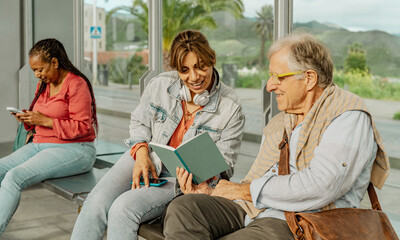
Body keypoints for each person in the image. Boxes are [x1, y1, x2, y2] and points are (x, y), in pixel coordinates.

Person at [163, 33, 390, 239]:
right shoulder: (281, 121)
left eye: (279, 77)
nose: (270, 86)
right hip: (254, 208)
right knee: (184, 208)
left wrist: (242, 190)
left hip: (301, 221)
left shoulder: (348, 116)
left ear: (309, 79)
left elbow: (321, 186)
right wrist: (212, 192)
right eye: (271, 76)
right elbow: (256, 181)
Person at [71, 29, 245, 240]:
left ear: (213, 59)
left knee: (122, 210)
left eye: (201, 67)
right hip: (147, 155)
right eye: (185, 70)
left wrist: (200, 175)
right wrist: (142, 152)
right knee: (96, 202)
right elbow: (139, 122)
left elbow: (225, 163)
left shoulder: (231, 107)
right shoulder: (160, 85)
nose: (194, 77)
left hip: (181, 180)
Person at [0, 38, 98, 235]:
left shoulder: (77, 84)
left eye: (40, 69)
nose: (37, 75)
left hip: (75, 149)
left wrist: (44, 120)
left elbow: (83, 127)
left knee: (13, 177)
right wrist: (28, 118)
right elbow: (42, 119)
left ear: (54, 62)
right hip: (40, 144)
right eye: (34, 70)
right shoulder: (44, 85)